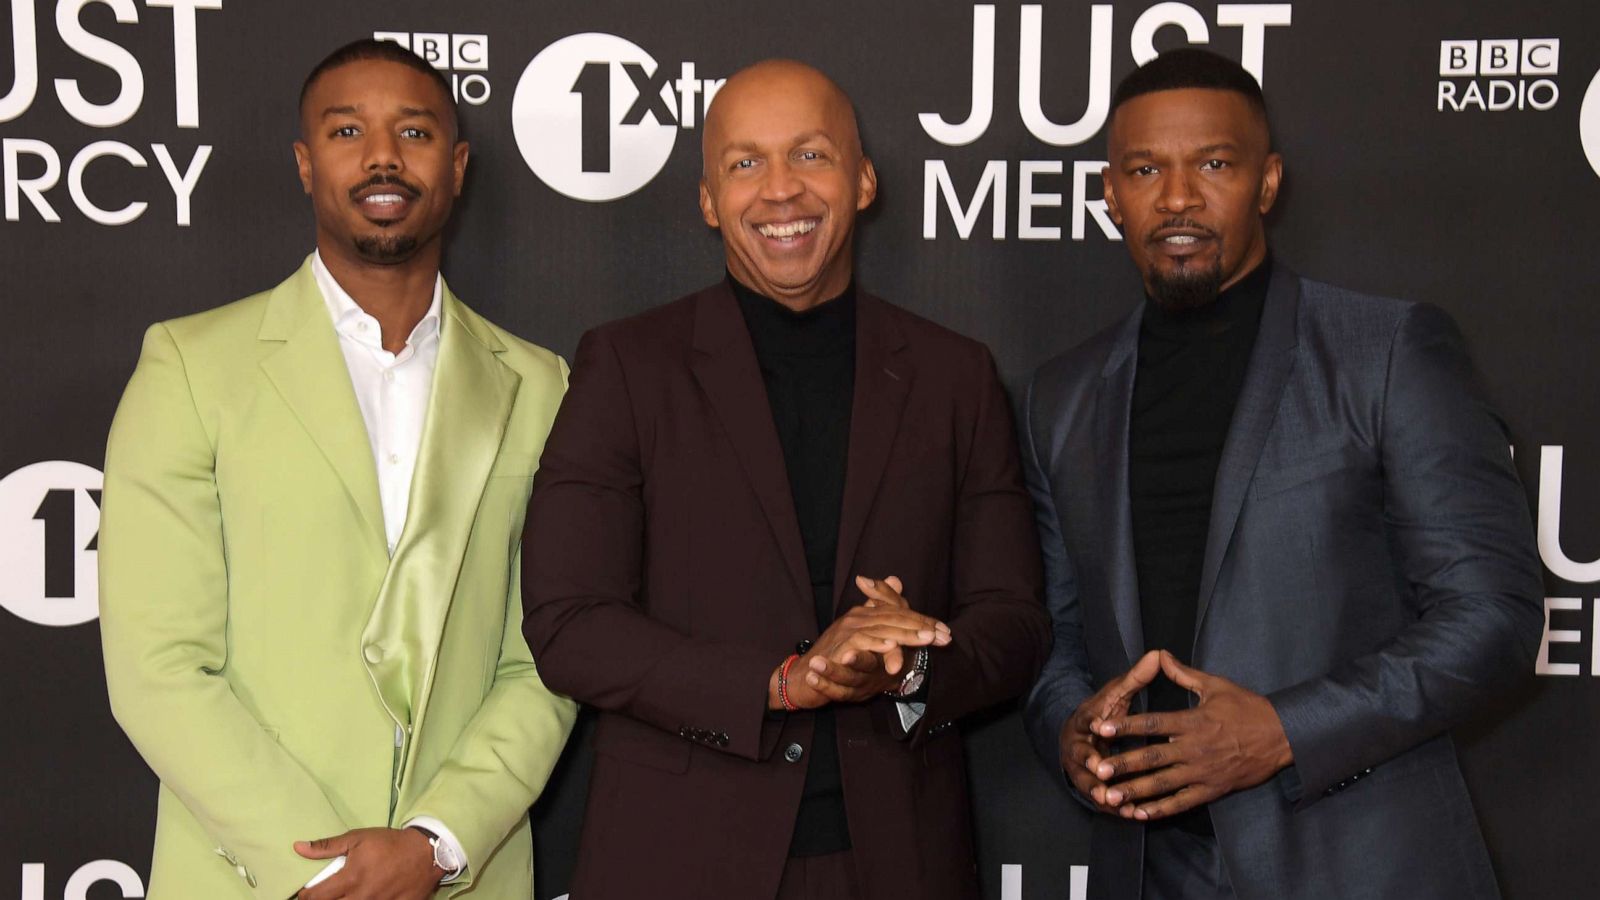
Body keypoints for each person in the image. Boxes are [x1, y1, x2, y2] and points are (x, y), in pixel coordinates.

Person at [521, 59, 1051, 900]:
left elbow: (1016, 622)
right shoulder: (627, 366)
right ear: (706, 200)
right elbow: (569, 624)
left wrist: (906, 669)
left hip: (899, 861)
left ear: (864, 180)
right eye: (744, 163)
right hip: (677, 860)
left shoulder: (956, 377)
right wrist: (783, 682)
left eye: (810, 155)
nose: (780, 191)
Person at [1021, 48, 1542, 900]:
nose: (1179, 197)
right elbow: (1057, 638)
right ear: (1110, 194)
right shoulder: (1061, 397)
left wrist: (1282, 731)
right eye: (1146, 169)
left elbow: (1495, 614)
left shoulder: (1387, 352)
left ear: (1266, 183)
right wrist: (1068, 729)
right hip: (1150, 870)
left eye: (1213, 164)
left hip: (1362, 865)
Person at [98, 38, 575, 900]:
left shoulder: (541, 387)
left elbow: (549, 656)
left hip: (463, 874)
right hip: (248, 879)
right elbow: (159, 666)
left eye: (415, 132)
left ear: (458, 165)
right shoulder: (191, 368)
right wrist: (322, 867)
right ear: (305, 163)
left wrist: (435, 843)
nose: (383, 156)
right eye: (348, 130)